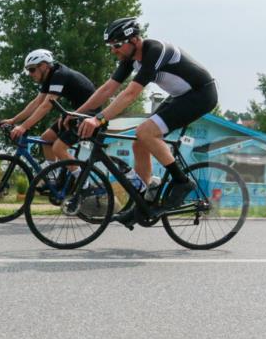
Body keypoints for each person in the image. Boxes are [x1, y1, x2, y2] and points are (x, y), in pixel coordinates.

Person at [76, 17, 217, 226]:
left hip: (201, 94)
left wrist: (98, 119)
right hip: (181, 96)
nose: (113, 50)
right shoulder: (129, 59)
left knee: (146, 132)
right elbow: (108, 89)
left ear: (133, 40)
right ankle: (143, 201)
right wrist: (76, 113)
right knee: (138, 142)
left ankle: (181, 182)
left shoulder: (154, 51)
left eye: (116, 45)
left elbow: (131, 94)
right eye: (110, 46)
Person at [1, 49, 97, 164]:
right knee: (46, 138)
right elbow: (36, 103)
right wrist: (13, 120)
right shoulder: (50, 76)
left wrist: (23, 127)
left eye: (32, 70)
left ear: (44, 66)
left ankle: (82, 180)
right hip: (75, 114)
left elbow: (46, 106)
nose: (30, 74)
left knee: (58, 148)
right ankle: (52, 177)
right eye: (28, 71)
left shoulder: (59, 75)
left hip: (89, 116)